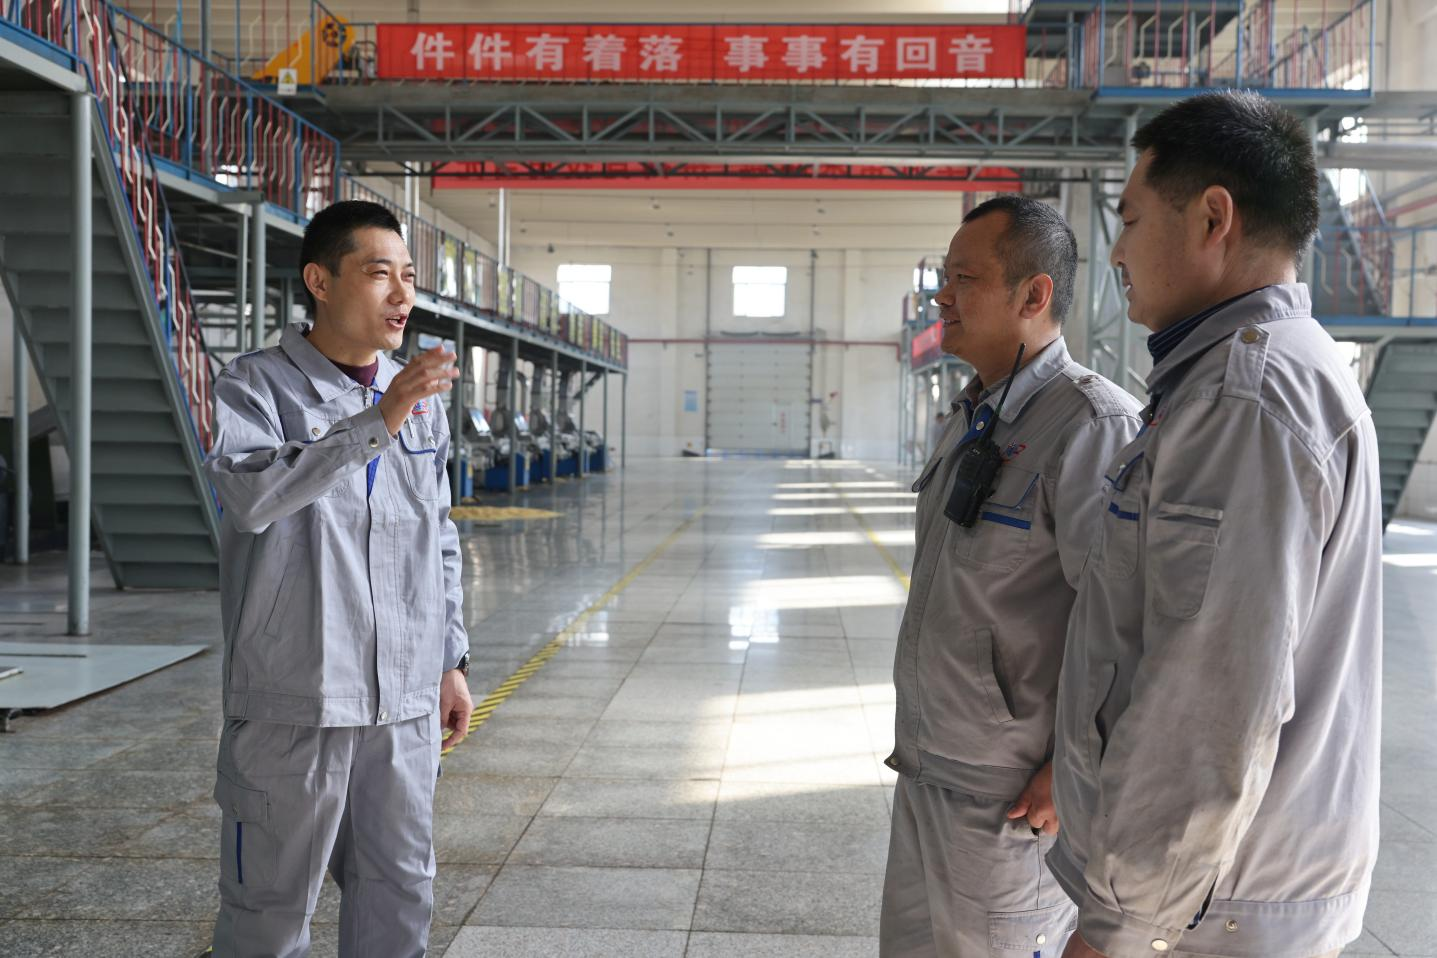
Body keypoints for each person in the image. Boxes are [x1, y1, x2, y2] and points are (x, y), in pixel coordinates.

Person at [1049, 91, 1382, 958]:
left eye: (1129, 220)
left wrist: (1121, 928)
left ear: (1211, 218)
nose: (1115, 251)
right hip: (1215, 897)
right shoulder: (1246, 378)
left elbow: (1208, 702)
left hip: (1202, 913)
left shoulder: (1245, 400)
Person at [204, 200, 474, 957]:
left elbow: (438, 535)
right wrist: (377, 421)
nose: (403, 294)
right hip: (298, 698)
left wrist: (450, 660)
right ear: (319, 281)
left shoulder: (415, 400)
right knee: (270, 909)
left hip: (404, 702)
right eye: (379, 273)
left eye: (409, 276)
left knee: (400, 894)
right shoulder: (256, 387)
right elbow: (254, 498)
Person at [881, 195, 1143, 957]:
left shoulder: (1091, 426)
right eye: (943, 277)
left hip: (1013, 796)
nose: (942, 297)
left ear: (1033, 295)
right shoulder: (974, 416)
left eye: (963, 279)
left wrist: (1070, 770)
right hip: (927, 766)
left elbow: (1126, 620)